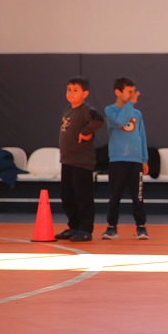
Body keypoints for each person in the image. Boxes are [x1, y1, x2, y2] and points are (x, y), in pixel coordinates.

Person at [56, 76, 105, 242]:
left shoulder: (86, 110)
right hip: (67, 161)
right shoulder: (67, 110)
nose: (71, 93)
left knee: (82, 196)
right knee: (67, 196)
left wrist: (86, 131)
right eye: (69, 89)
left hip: (81, 162)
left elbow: (98, 119)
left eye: (75, 90)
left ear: (85, 93)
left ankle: (85, 229)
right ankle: (74, 226)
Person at [101, 76, 150, 241]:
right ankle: (112, 227)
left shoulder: (137, 114)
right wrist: (130, 104)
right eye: (129, 92)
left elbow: (141, 135)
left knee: (138, 196)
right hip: (117, 160)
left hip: (135, 161)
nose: (133, 95)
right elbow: (122, 120)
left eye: (133, 92)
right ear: (118, 92)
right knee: (115, 194)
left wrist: (144, 159)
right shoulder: (110, 111)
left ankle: (141, 226)